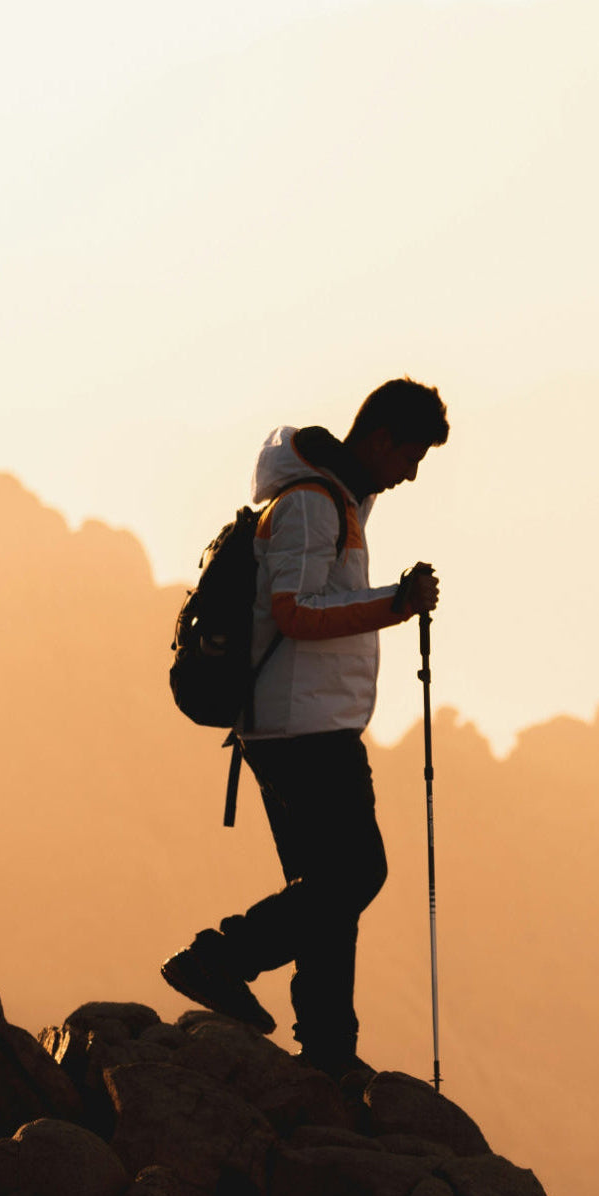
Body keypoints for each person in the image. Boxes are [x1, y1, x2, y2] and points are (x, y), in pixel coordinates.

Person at [161, 377, 449, 1078]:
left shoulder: (338, 498)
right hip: (300, 729)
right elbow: (294, 612)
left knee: (325, 888)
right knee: (356, 872)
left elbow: (318, 580)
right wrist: (395, 602)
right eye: (409, 456)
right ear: (381, 439)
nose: (410, 475)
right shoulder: (310, 507)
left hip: (309, 723)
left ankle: (327, 1049)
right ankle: (220, 957)